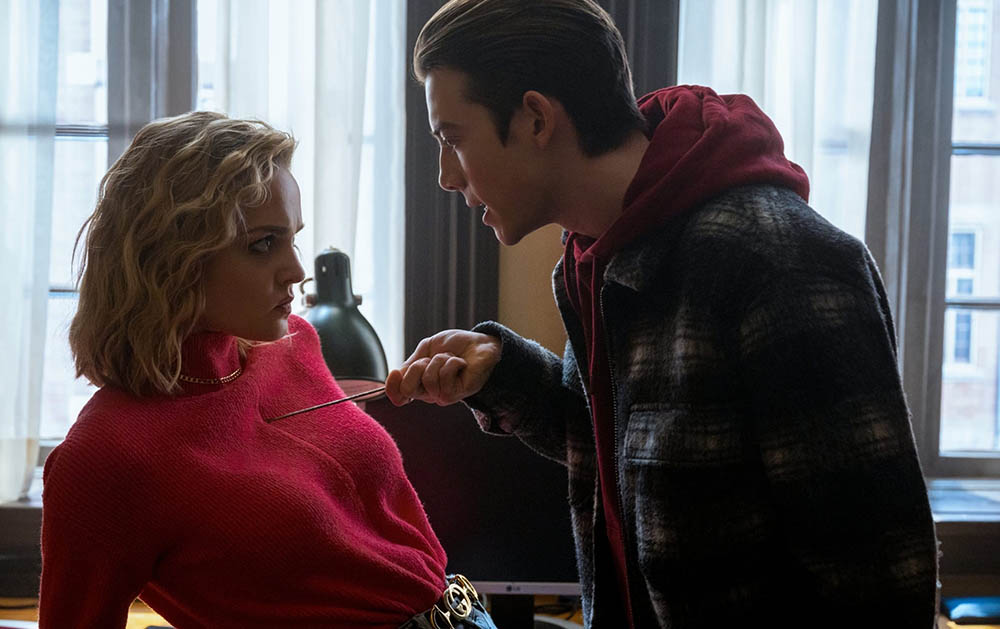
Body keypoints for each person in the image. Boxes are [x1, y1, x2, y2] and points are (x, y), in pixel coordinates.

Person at [385, 0, 939, 627]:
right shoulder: (599, 255)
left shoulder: (778, 260)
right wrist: (502, 371)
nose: (444, 176)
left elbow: (883, 580)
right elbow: (632, 452)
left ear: (536, 118)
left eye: (452, 139)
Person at [38, 111, 495, 629]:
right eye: (263, 244)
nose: (297, 271)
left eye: (292, 238)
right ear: (171, 259)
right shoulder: (103, 457)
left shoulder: (296, 345)